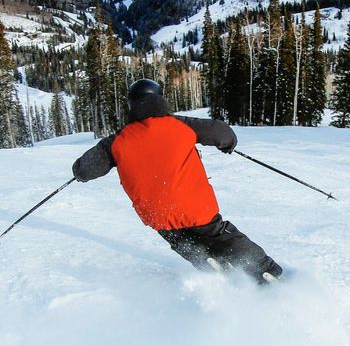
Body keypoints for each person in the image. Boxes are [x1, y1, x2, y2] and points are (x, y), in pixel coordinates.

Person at [71, 79, 283, 284]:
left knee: (178, 238)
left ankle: (207, 263)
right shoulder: (181, 124)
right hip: (194, 206)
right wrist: (228, 144)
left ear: (132, 104)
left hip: (156, 213)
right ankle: (266, 271)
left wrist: (79, 173)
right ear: (160, 99)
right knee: (220, 235)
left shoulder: (116, 141)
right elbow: (221, 132)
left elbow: (85, 168)